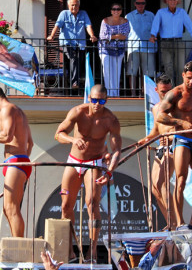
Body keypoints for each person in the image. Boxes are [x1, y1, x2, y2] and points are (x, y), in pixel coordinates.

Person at [54, 84, 122, 262]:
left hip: (94, 163)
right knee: (65, 206)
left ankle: (92, 251)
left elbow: (116, 150)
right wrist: (73, 139)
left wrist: (109, 172)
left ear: (106, 100)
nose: (97, 104)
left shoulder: (111, 120)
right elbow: (58, 134)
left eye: (101, 101)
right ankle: (69, 250)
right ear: (89, 98)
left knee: (92, 203)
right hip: (74, 161)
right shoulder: (78, 112)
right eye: (94, 100)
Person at [156, 61, 192, 230]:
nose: (191, 81)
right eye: (188, 78)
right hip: (181, 139)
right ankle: (180, 222)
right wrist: (180, 122)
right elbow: (160, 116)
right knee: (181, 180)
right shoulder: (175, 94)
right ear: (183, 75)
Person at [0, 85, 34, 237]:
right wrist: (24, 161)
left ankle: (19, 245)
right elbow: (30, 143)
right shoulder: (19, 112)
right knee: (8, 209)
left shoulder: (7, 110)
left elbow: (7, 136)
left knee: (11, 208)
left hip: (15, 162)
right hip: (19, 162)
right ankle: (15, 242)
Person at [138, 74, 176, 230]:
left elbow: (182, 127)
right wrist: (146, 139)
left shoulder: (177, 107)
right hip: (161, 148)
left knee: (163, 184)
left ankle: (176, 222)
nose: (166, 94)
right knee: (154, 188)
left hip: (173, 147)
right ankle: (170, 222)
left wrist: (171, 138)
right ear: (156, 90)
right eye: (162, 92)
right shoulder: (155, 108)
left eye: (168, 91)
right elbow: (156, 130)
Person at [149, 0, 192, 83]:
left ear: (177, 1)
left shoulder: (182, 12)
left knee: (181, 67)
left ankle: (180, 88)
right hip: (165, 43)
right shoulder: (161, 12)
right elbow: (155, 25)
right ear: (167, 1)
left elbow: (189, 25)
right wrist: (153, 35)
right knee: (168, 67)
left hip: (178, 42)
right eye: (170, 0)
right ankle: (171, 88)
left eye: (174, 0)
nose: (172, 2)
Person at [47, 0, 97, 88]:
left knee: (78, 61)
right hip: (67, 42)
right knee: (73, 57)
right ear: (68, 5)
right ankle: (74, 82)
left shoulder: (83, 13)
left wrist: (92, 36)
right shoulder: (64, 14)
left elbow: (88, 26)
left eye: (76, 5)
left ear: (79, 6)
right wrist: (52, 36)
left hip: (80, 43)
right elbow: (57, 25)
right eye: (72, 5)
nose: (74, 7)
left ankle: (73, 81)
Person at [125, 0, 157, 96]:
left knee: (147, 73)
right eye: (138, 3)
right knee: (132, 72)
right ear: (135, 4)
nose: (140, 5)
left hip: (148, 47)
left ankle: (145, 94)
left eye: (142, 3)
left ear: (145, 4)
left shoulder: (151, 15)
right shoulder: (128, 16)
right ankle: (133, 94)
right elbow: (125, 32)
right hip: (133, 47)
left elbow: (156, 29)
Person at [98, 4, 130, 97]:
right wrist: (117, 36)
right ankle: (108, 94)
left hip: (119, 50)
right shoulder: (105, 21)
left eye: (118, 9)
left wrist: (111, 37)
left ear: (121, 11)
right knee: (107, 71)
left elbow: (125, 35)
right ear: (111, 11)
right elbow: (103, 36)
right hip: (105, 49)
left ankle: (116, 94)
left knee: (116, 72)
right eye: (114, 9)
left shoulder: (125, 21)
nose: (116, 11)